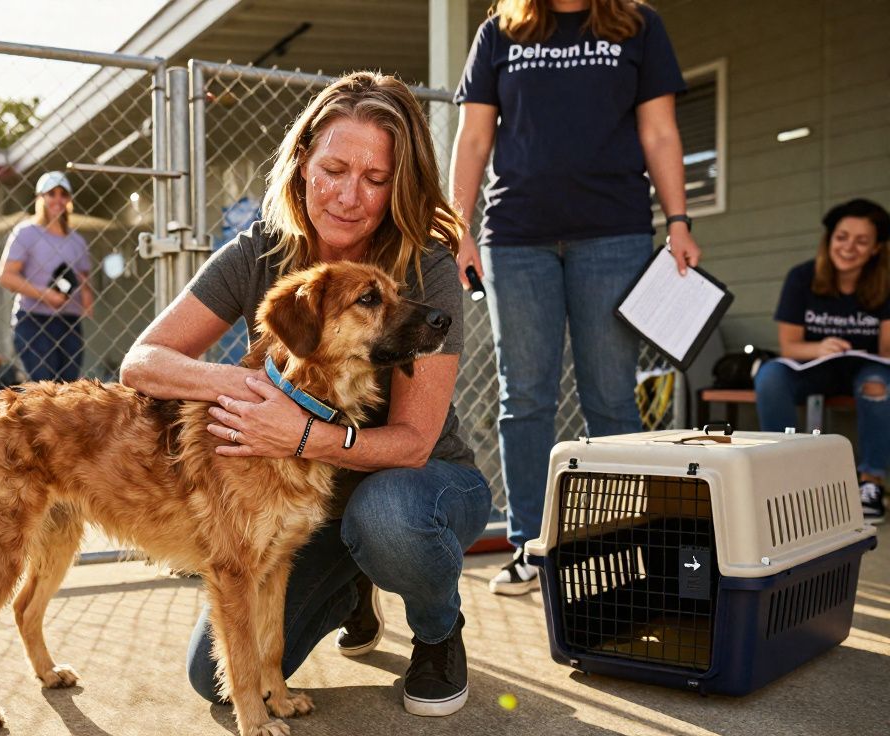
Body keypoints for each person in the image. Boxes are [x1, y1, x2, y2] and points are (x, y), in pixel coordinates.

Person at [119, 72, 492, 717]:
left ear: (398, 186)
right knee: (214, 679)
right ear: (300, 166)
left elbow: (412, 442)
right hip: (300, 499)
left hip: (417, 482)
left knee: (386, 519)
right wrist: (236, 383)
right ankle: (353, 584)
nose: (350, 196)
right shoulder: (258, 253)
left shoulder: (424, 263)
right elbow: (141, 362)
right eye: (334, 169)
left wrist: (302, 435)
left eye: (376, 179)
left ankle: (437, 632)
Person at [449, 0, 702, 595]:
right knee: (525, 398)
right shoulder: (500, 32)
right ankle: (533, 546)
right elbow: (475, 136)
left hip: (614, 233)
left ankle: (623, 543)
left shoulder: (637, 25)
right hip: (516, 237)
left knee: (612, 399)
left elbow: (660, 131)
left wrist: (680, 220)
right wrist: (457, 226)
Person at [754, 198, 890, 524]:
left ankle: (871, 483)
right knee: (770, 375)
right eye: (842, 237)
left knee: (877, 382)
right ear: (829, 238)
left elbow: (885, 352)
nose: (848, 247)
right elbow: (789, 346)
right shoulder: (802, 277)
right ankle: (782, 476)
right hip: (814, 367)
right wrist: (818, 348)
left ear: (875, 249)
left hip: (865, 368)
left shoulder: (886, 282)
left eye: (861, 241)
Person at [0, 171, 94, 382]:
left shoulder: (77, 240)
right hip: (34, 319)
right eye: (51, 194)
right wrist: (43, 294)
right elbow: (6, 276)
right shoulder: (26, 232)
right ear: (40, 198)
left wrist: (86, 296)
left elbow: (82, 278)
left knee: (68, 388)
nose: (57, 199)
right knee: (43, 387)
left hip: (69, 321)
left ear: (69, 199)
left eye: (63, 194)